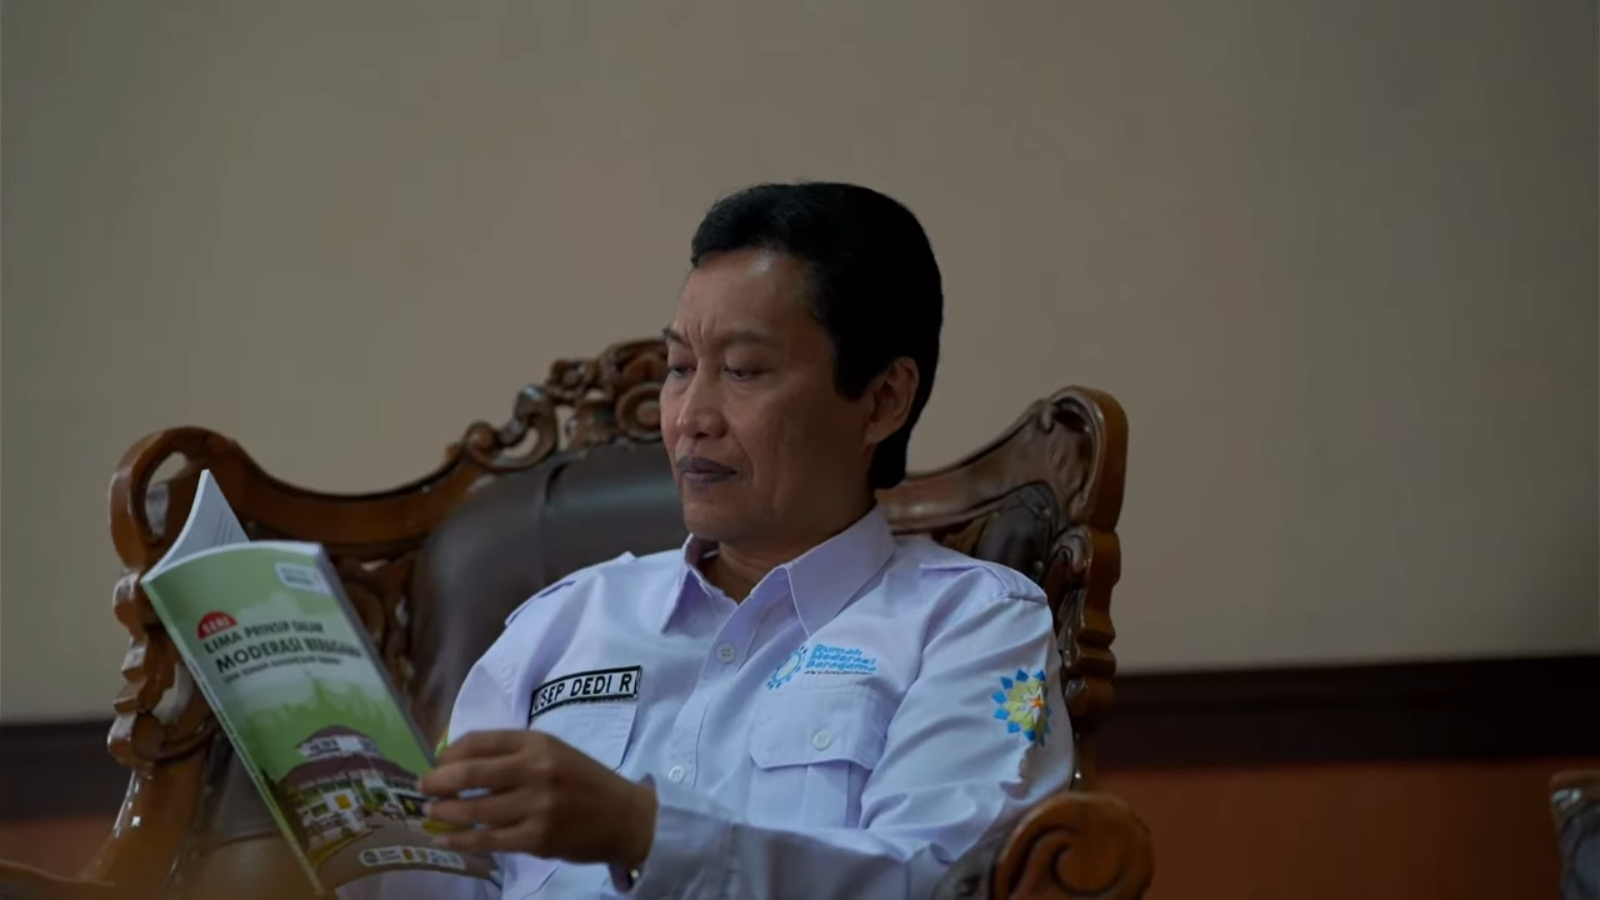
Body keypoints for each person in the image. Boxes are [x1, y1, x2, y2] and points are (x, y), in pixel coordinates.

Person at [343, 182, 1074, 899]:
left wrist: (642, 833)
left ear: (882, 400)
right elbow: (450, 876)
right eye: (680, 369)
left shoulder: (971, 624)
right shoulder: (564, 621)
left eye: (743, 371)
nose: (690, 416)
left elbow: (943, 883)